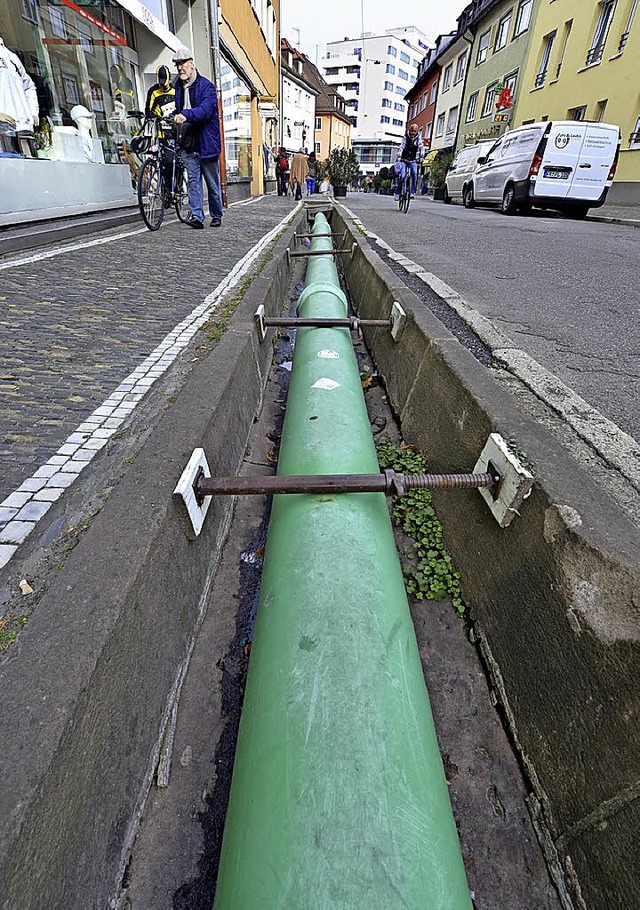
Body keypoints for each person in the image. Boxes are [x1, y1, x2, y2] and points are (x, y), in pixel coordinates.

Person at [172, 47, 223, 229]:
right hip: (189, 142)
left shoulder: (206, 86)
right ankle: (197, 216)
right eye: (178, 65)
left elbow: (205, 110)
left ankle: (216, 214)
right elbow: (178, 109)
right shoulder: (177, 86)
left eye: (183, 64)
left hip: (206, 142)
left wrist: (185, 115)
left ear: (191, 64)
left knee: (212, 184)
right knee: (193, 181)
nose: (180, 69)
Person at [395, 122, 424, 200]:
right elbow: (402, 147)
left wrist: (421, 156)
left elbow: (421, 147)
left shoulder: (418, 138)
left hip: (413, 160)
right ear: (409, 130)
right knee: (403, 176)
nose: (412, 133)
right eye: (412, 131)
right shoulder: (405, 137)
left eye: (414, 131)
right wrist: (399, 156)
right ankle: (398, 193)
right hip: (404, 160)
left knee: (414, 173)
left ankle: (412, 192)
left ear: (417, 132)